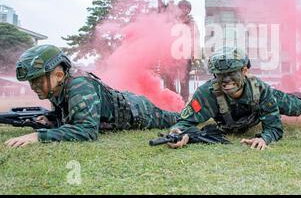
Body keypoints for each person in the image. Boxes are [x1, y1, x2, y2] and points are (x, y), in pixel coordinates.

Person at [4, 44, 180, 148]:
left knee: (175, 118)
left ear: (58, 75)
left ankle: (197, 112)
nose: (33, 86)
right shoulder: (54, 89)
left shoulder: (79, 85)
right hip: (127, 103)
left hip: (140, 112)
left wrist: (39, 136)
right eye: (31, 81)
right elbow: (69, 119)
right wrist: (50, 122)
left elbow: (87, 131)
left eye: (37, 80)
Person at [167, 47, 301, 151]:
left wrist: (264, 138)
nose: (226, 80)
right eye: (221, 75)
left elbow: (274, 128)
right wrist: (178, 133)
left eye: (232, 73)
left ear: (244, 71)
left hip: (268, 97)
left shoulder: (261, 90)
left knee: (297, 107)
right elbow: (184, 121)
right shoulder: (206, 93)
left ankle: (296, 95)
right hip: (234, 118)